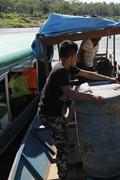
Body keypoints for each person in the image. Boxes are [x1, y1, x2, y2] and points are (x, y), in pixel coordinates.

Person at [38, 40, 115, 180]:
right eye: (76, 55)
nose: (77, 58)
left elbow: (88, 74)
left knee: (63, 141)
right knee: (63, 146)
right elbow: (70, 93)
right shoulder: (61, 71)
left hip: (54, 112)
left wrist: (108, 78)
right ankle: (64, 175)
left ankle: (65, 169)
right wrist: (91, 97)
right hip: (50, 115)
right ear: (73, 56)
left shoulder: (66, 66)